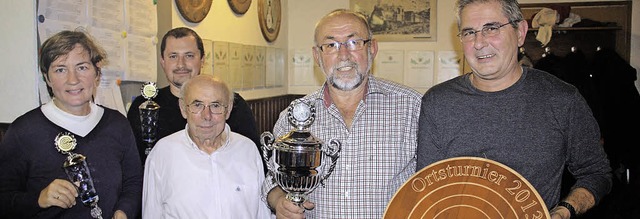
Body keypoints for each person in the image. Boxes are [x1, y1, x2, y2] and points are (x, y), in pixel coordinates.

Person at [416, 1, 612, 219]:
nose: (479, 43)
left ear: (520, 33)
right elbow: (427, 188)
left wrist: (564, 211)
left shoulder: (562, 99)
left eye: (491, 28)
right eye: (469, 32)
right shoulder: (437, 103)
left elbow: (597, 173)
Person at [262, 9, 422, 218]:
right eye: (331, 45)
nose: (344, 55)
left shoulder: (412, 108)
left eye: (354, 42)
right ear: (317, 56)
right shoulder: (292, 117)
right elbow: (273, 183)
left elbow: (433, 182)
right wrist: (279, 202)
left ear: (372, 49)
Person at [0, 30, 142, 218]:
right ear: (47, 78)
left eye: (82, 67)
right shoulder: (23, 132)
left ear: (97, 72)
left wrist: (123, 212)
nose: (73, 79)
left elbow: (133, 183)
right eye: (60, 69)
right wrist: (38, 199)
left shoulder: (118, 124)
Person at [126, 27, 263, 170]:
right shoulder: (144, 106)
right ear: (162, 61)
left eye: (189, 55)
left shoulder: (232, 104)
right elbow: (132, 167)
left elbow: (251, 160)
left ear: (202, 60)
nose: (181, 64)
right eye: (173, 56)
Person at [142, 74, 270, 218]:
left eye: (215, 105)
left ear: (228, 110)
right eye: (197, 105)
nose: (207, 116)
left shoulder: (247, 150)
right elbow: (151, 213)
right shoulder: (163, 153)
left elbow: (262, 213)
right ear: (183, 108)